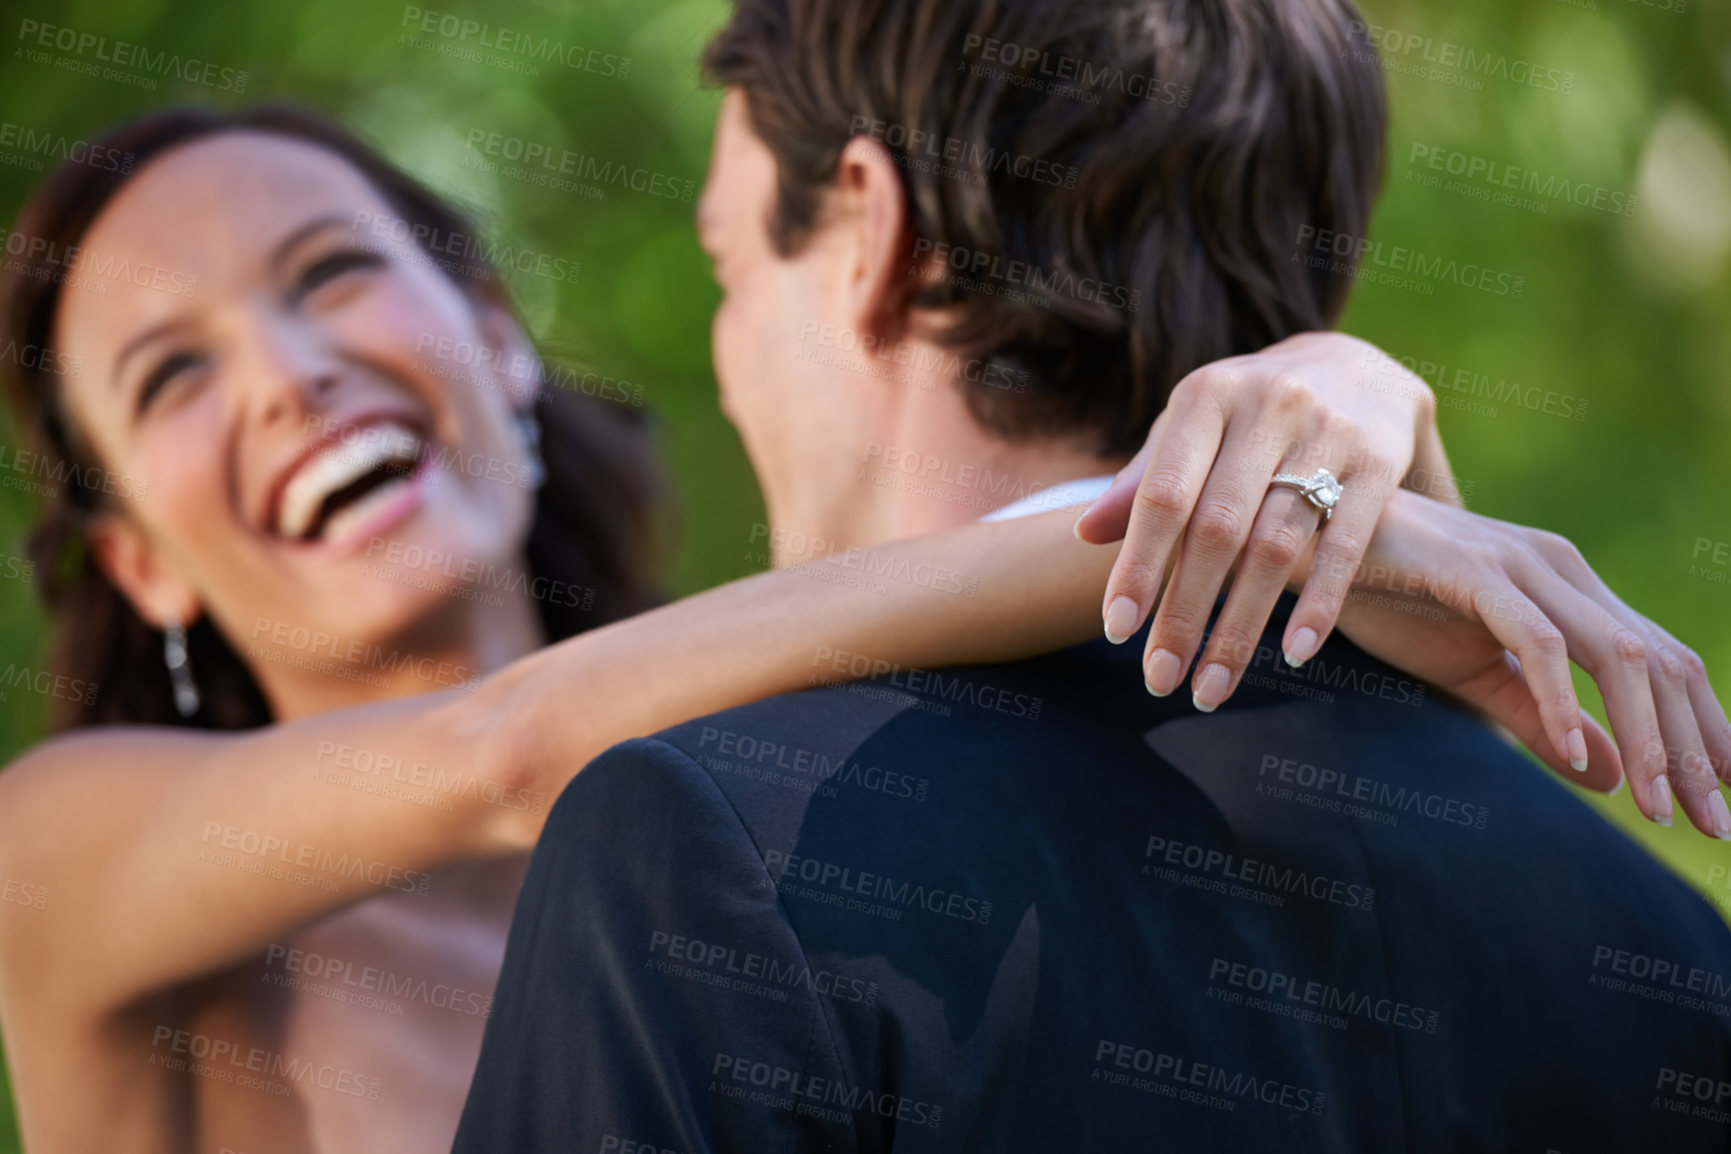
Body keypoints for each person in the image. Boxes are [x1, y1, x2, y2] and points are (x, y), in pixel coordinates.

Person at [0, 102, 1627, 1153]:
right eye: (174, 372)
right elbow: (502, 750)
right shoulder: (60, 851)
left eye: (331, 272)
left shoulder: (782, 784)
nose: (288, 374)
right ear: (138, 559)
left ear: (495, 337)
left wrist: (1329, 393)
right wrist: (1225, 503)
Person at [452, 0, 1731, 1149]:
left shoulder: (708, 841)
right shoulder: (1674, 950)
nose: (729, 355)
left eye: (731, 267)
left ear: (867, 227)